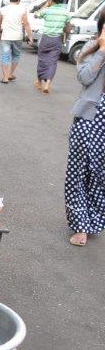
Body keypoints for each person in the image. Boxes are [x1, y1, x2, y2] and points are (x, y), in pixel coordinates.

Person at [65, 14, 105, 246]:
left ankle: (95, 219)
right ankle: (81, 225)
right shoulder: (91, 48)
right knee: (79, 170)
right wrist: (102, 51)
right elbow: (85, 77)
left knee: (101, 173)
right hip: (89, 117)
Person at [33, 0, 72, 95]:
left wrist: (46, 5)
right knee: (52, 61)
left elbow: (36, 15)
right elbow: (68, 28)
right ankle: (47, 84)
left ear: (50, 0)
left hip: (46, 39)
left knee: (42, 59)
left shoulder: (47, 10)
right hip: (57, 39)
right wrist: (65, 38)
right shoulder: (65, 12)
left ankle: (39, 82)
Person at [0, 0, 32, 83]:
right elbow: (26, 24)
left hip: (6, 36)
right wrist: (30, 36)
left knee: (5, 55)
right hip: (17, 36)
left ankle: (5, 77)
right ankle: (10, 74)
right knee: (16, 55)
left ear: (10, 0)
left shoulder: (3, 9)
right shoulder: (22, 9)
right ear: (19, 0)